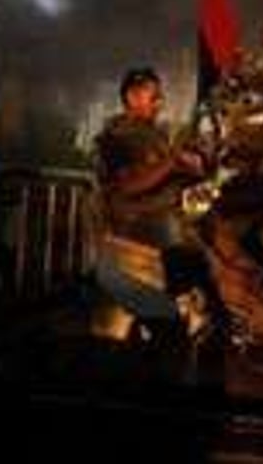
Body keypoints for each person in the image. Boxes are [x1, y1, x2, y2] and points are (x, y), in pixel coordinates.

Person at [93, 67, 212, 340]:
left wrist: (191, 168)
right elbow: (128, 186)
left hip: (169, 228)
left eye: (160, 96)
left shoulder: (156, 135)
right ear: (132, 97)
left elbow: (166, 174)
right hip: (140, 234)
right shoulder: (116, 138)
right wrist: (172, 163)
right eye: (153, 96)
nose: (160, 102)